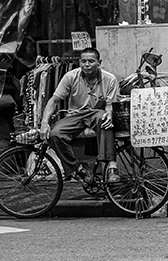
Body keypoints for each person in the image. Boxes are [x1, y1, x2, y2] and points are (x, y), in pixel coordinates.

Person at [39, 47, 120, 185]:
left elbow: (109, 104)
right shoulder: (71, 76)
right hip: (75, 115)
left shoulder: (110, 79)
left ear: (99, 63)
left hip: (96, 113)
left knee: (104, 120)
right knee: (55, 134)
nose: (86, 64)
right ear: (79, 62)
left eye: (91, 61)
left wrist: (109, 115)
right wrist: (44, 122)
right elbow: (54, 100)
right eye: (83, 61)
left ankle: (112, 167)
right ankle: (79, 169)